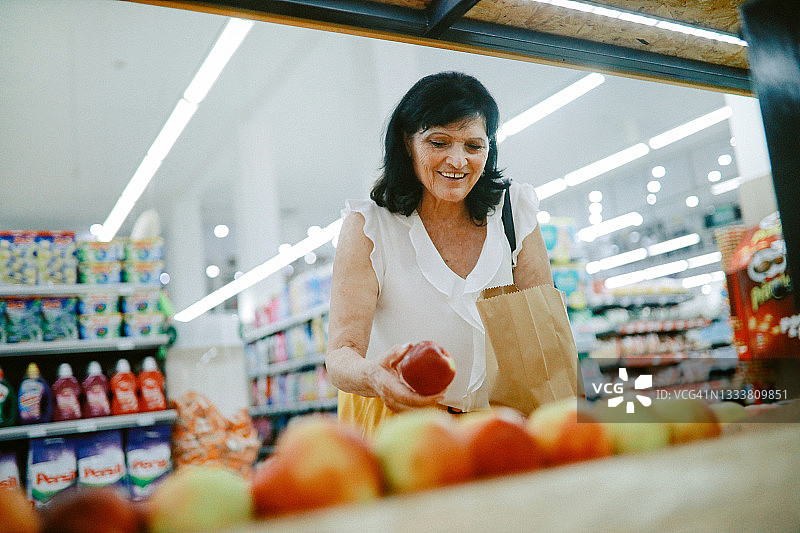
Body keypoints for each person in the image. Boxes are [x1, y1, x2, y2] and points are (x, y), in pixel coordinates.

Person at [325, 72, 553, 438]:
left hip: (499, 425)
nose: (458, 160)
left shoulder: (514, 213)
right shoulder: (369, 227)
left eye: (474, 146)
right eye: (439, 142)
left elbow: (542, 336)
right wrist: (374, 376)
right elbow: (340, 353)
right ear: (407, 142)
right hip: (403, 429)